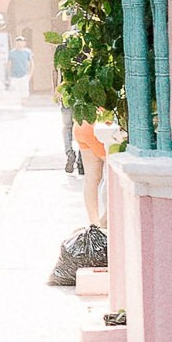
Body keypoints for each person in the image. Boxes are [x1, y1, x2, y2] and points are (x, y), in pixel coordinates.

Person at [49, 114, 111, 286]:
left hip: (82, 125)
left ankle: (94, 224)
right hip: (101, 125)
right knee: (114, 177)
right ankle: (103, 224)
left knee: (91, 179)